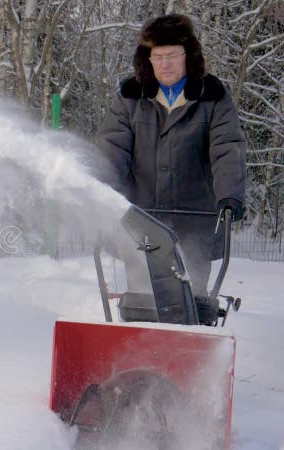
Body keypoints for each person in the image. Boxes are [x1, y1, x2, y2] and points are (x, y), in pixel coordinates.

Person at [96, 14, 246, 323]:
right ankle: (140, 364)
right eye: (158, 57)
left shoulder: (213, 98)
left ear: (187, 56)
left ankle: (189, 366)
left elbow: (226, 148)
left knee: (190, 305)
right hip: (142, 224)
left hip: (194, 223)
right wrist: (101, 187)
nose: (165, 64)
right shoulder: (130, 98)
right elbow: (114, 148)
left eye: (172, 56)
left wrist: (230, 195)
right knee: (142, 303)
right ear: (147, 60)